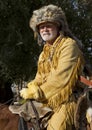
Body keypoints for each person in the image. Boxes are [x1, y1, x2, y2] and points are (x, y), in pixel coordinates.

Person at [20, 4, 85, 130]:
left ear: (58, 26)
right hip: (46, 97)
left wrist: (36, 92)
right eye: (41, 27)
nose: (44, 29)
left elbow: (61, 79)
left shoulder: (69, 45)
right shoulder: (43, 54)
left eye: (48, 25)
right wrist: (30, 86)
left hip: (67, 99)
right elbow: (39, 77)